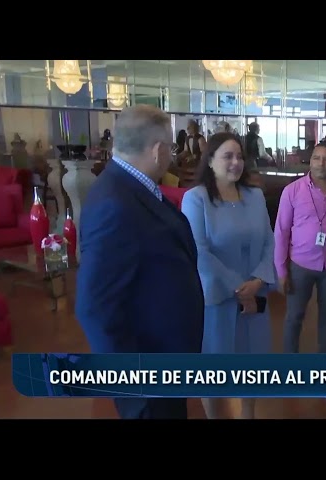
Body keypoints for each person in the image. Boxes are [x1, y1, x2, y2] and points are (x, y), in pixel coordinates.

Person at [76, 105, 205, 420]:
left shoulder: (133, 187)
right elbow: (94, 308)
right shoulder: (115, 202)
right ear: (159, 150)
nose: (172, 156)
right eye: (171, 149)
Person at [181, 132, 275, 420]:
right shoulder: (196, 199)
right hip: (218, 297)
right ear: (210, 161)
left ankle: (248, 414)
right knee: (214, 368)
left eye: (239, 157)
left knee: (253, 366)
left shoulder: (255, 196)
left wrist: (258, 281)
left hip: (255, 294)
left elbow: (270, 243)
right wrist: (239, 287)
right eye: (227, 156)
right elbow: (199, 250)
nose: (235, 163)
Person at [274, 141, 326, 354]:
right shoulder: (292, 191)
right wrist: (281, 270)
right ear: (310, 161)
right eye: (316, 158)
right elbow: (281, 231)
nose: (321, 163)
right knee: (294, 317)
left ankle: (325, 365)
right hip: (299, 265)